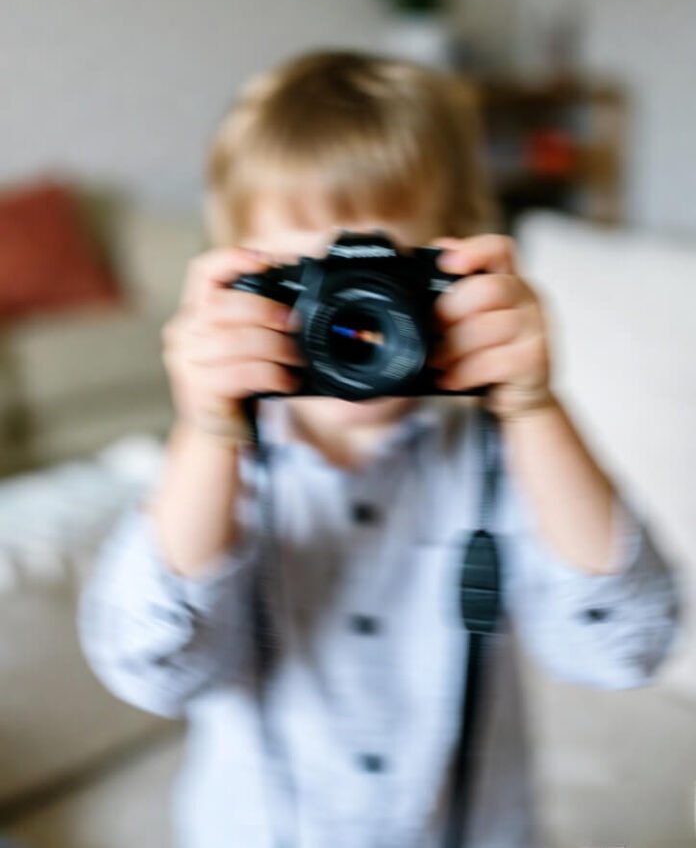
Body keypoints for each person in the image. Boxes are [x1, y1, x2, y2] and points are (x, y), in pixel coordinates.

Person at [79, 51, 679, 848]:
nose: (352, 321)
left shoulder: (498, 456)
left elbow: (626, 646)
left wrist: (534, 405)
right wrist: (208, 430)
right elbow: (149, 667)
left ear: (460, 265)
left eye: (389, 276)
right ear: (242, 282)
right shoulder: (220, 472)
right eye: (309, 281)